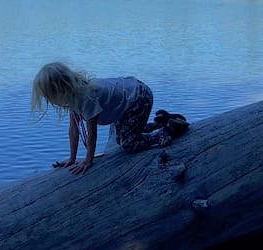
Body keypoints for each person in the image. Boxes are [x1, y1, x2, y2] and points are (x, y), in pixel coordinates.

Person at [31, 62, 171, 175]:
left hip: (138, 97)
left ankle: (161, 134)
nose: (49, 100)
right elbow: (74, 129)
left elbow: (92, 134)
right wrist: (72, 159)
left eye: (48, 96)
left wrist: (88, 161)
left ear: (60, 89)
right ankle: (159, 122)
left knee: (128, 144)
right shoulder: (73, 96)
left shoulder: (87, 98)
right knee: (121, 136)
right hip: (131, 94)